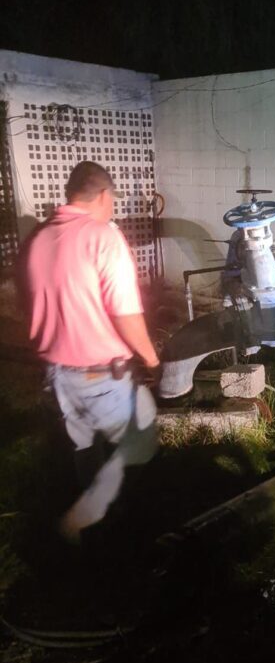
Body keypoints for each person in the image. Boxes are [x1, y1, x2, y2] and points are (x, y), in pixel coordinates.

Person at [20, 160, 160, 544]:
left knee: (84, 447)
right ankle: (92, 518)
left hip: (57, 374)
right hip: (101, 374)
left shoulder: (36, 238)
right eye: (112, 198)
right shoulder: (103, 237)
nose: (113, 205)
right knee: (140, 442)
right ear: (102, 195)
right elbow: (125, 314)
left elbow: (25, 302)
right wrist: (151, 358)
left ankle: (101, 531)